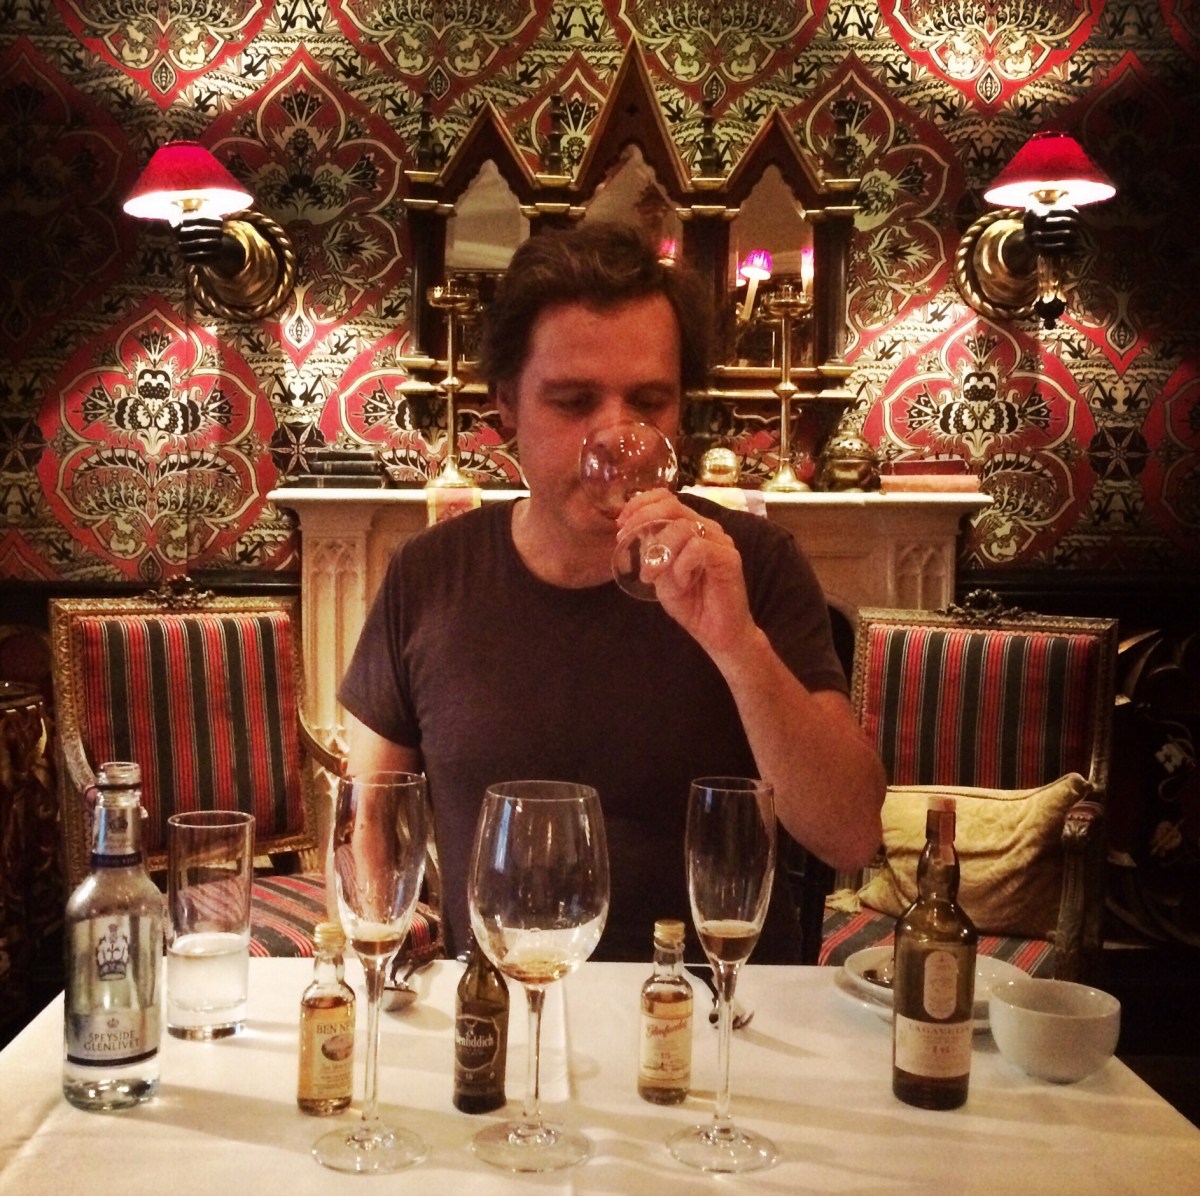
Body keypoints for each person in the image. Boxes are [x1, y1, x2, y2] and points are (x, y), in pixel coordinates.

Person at [338, 221, 885, 961]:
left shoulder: (752, 563)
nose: (617, 438)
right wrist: (382, 948)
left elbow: (851, 834)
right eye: (573, 401)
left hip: (718, 1004)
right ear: (506, 405)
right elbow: (369, 817)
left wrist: (737, 645)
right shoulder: (428, 574)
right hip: (508, 1001)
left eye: (650, 402)